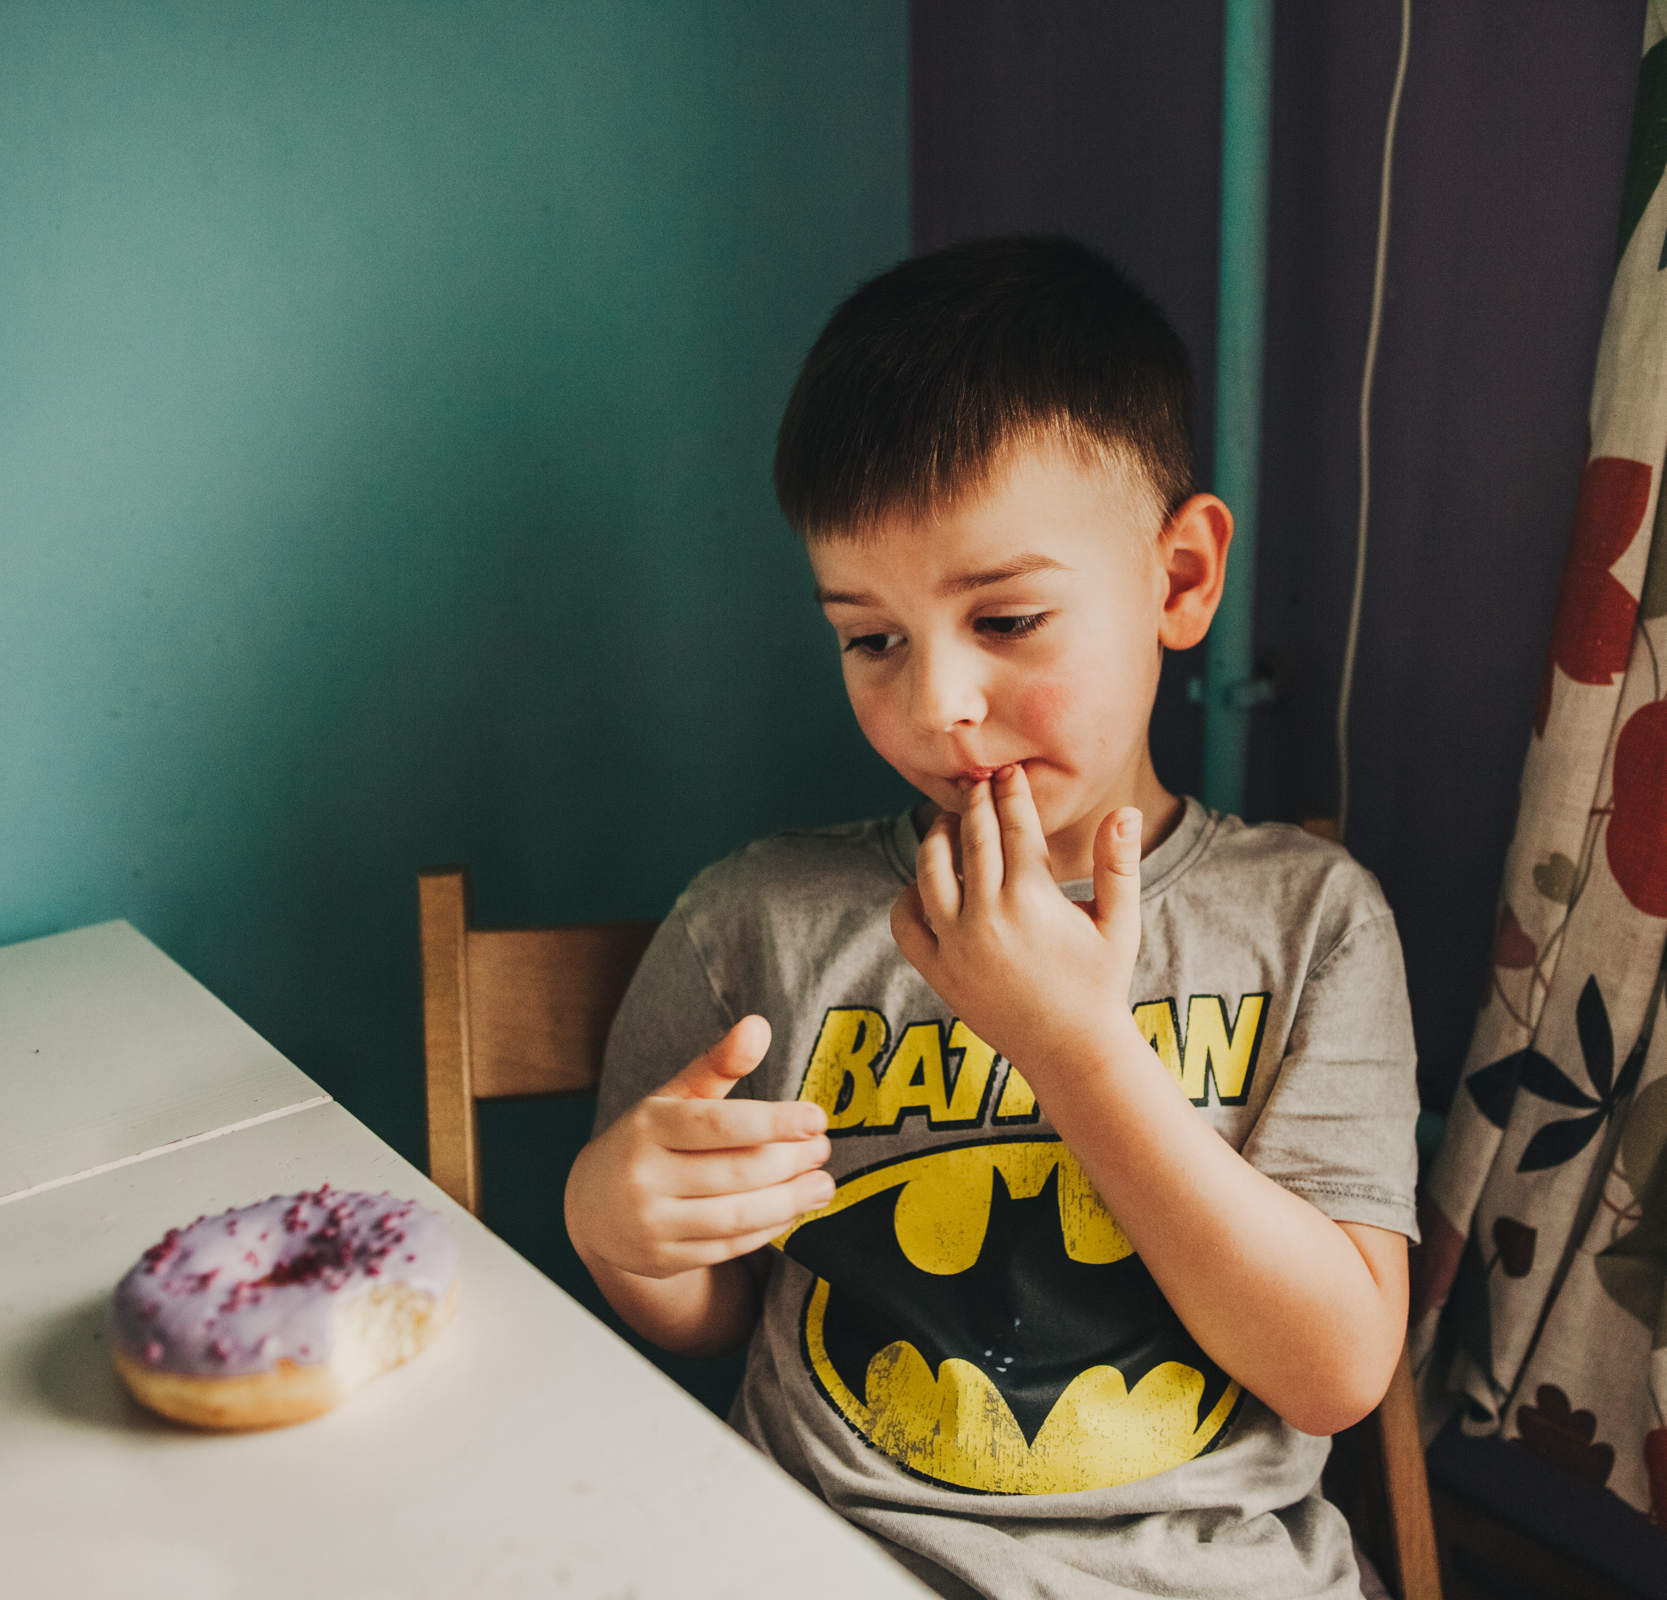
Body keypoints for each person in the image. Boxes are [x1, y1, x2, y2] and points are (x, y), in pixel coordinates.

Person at [563, 235, 1419, 1600]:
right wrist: (617, 1227)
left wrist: (1079, 1050)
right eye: (871, 636)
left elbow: (1332, 1375)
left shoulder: (1310, 922)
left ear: (1180, 580)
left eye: (1008, 617)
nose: (932, 706)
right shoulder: (759, 921)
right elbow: (712, 1314)